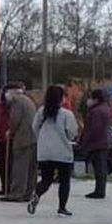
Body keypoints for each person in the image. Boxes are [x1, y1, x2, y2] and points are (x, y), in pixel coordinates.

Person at [28, 85, 78, 216]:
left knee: (46, 179)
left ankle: (37, 194)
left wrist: (42, 139)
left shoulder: (41, 112)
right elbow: (72, 133)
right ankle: (62, 207)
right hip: (63, 152)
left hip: (45, 152)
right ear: (61, 98)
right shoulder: (66, 114)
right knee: (64, 181)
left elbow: (34, 128)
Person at [0, 82, 38, 203]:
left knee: (20, 167)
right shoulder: (28, 100)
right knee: (30, 168)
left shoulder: (17, 101)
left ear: (12, 91)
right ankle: (28, 192)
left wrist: (10, 132)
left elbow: (15, 120)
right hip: (33, 138)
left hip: (22, 139)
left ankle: (16, 193)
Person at [77, 89, 112, 199]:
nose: (89, 100)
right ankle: (100, 189)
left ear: (96, 99)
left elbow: (93, 129)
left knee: (99, 169)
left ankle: (99, 191)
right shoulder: (105, 108)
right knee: (101, 168)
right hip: (103, 142)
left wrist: (84, 141)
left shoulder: (96, 111)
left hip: (97, 143)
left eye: (91, 98)